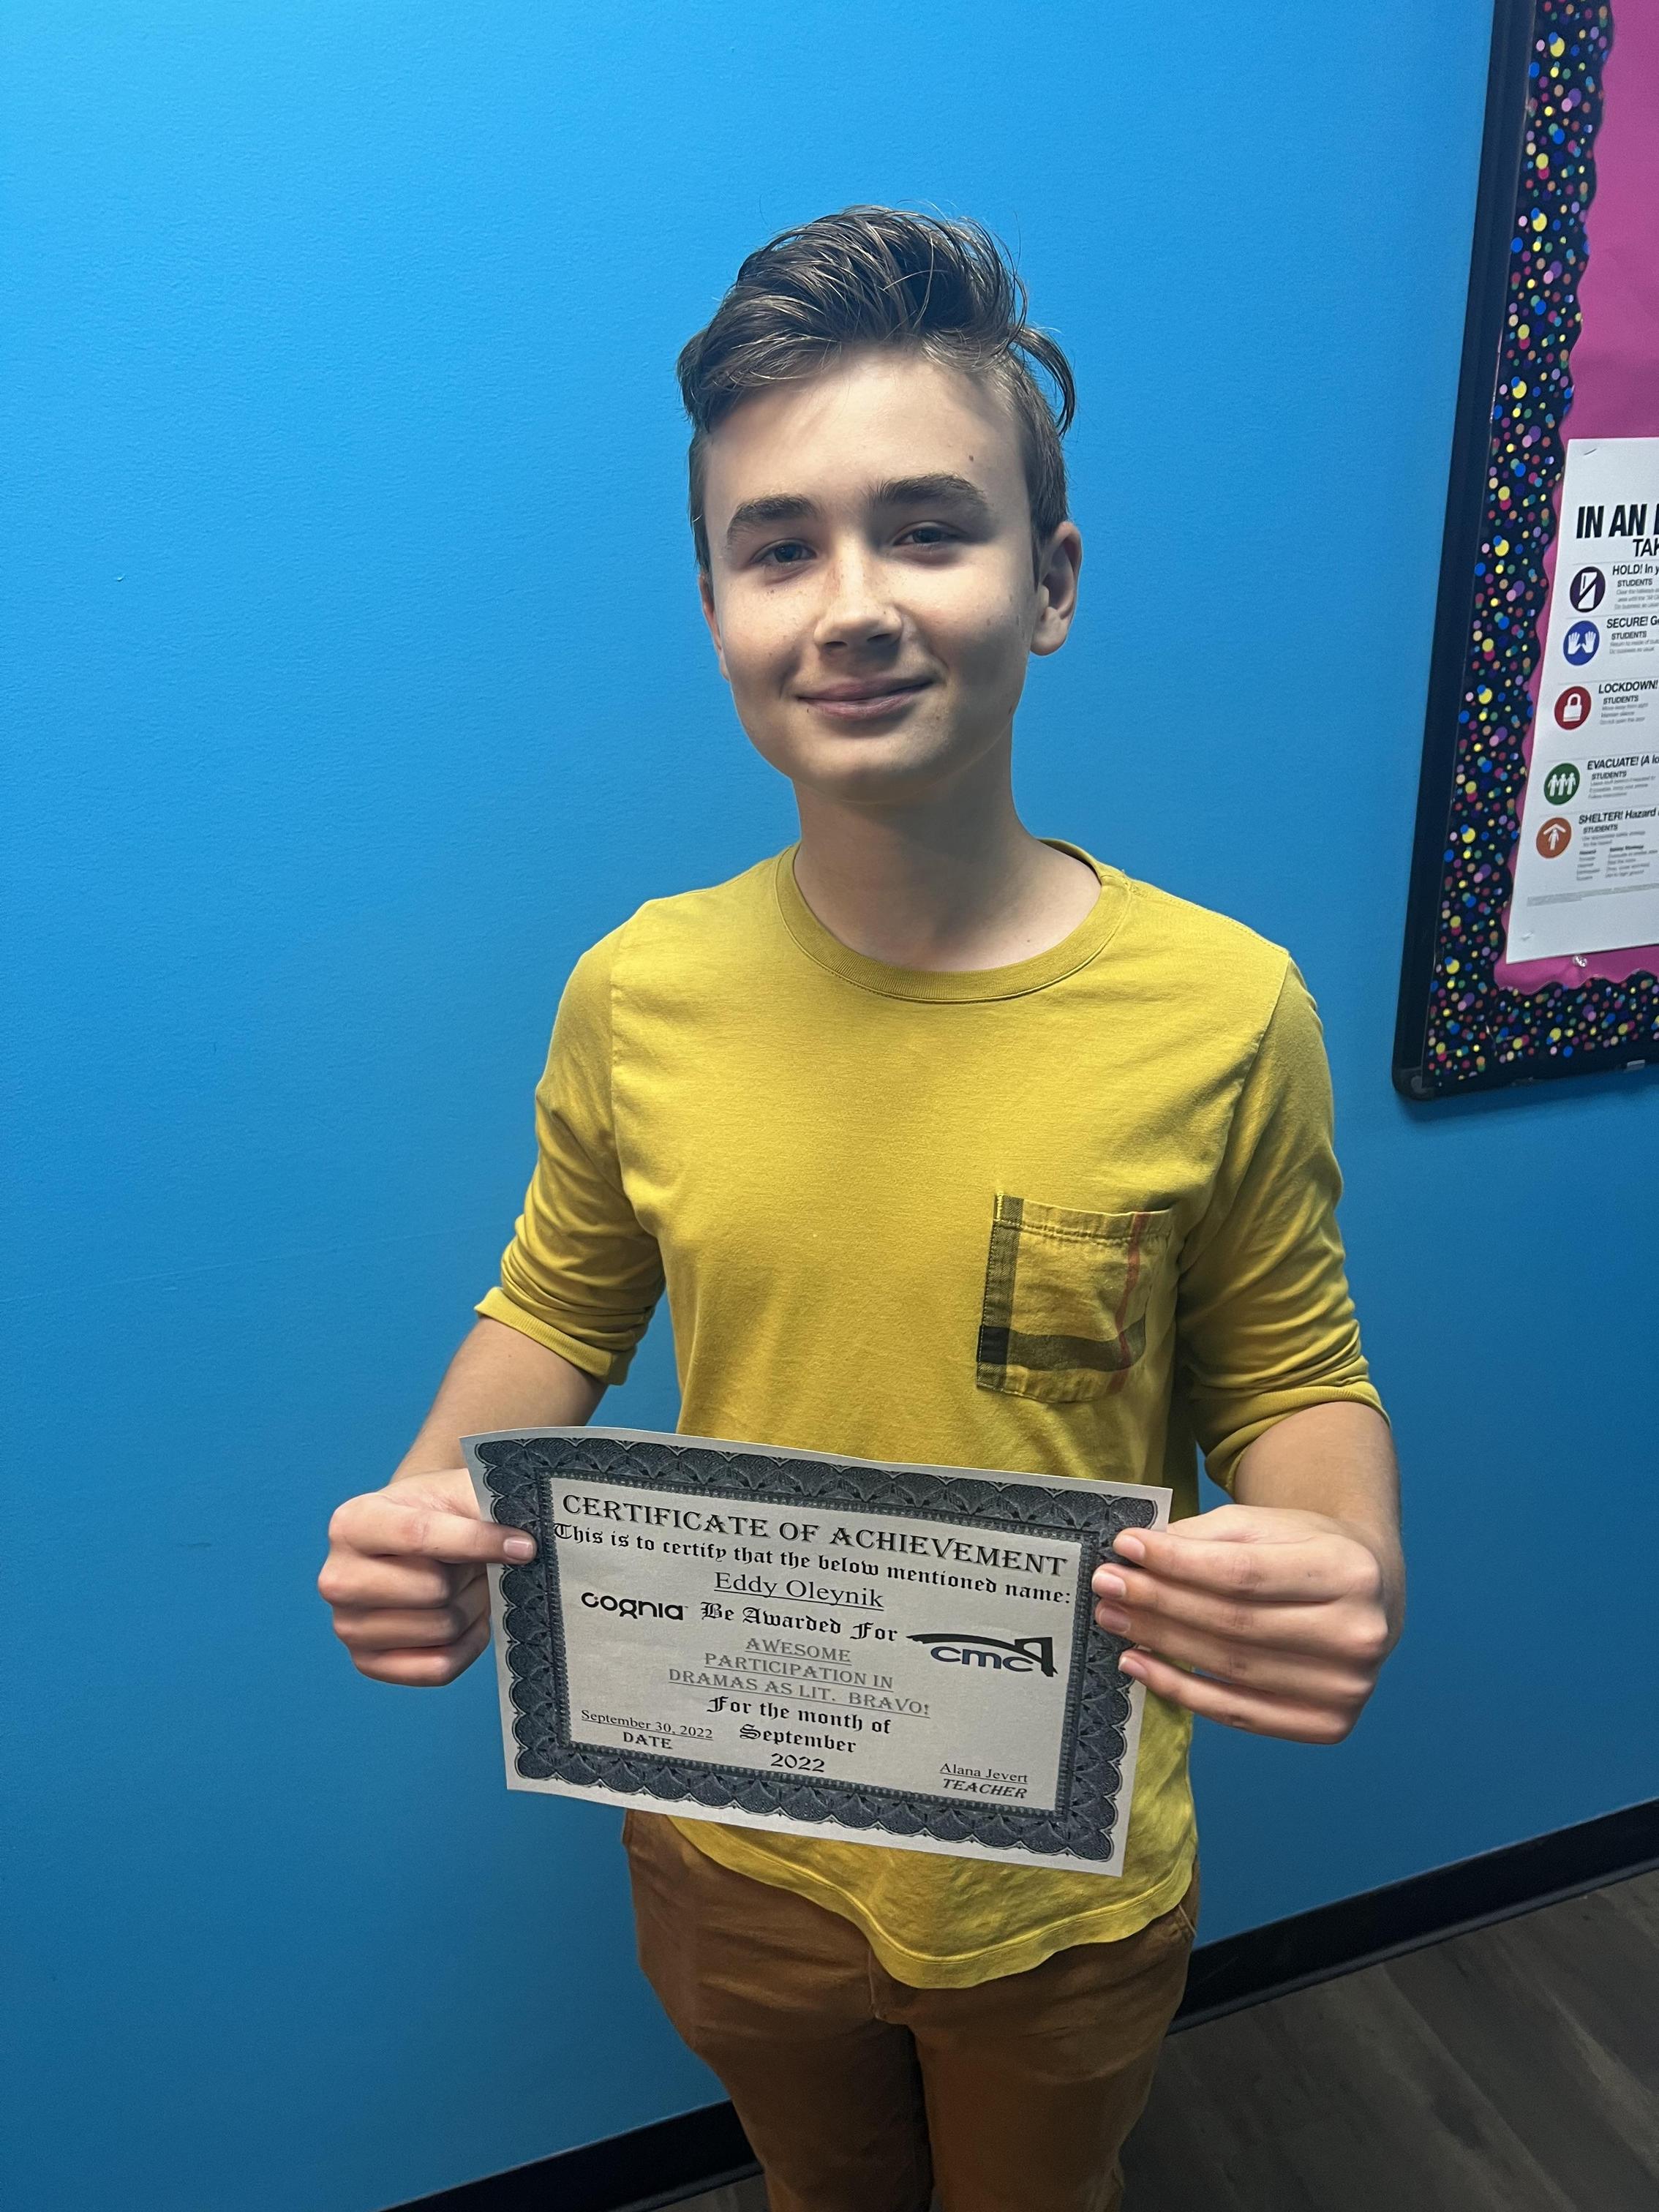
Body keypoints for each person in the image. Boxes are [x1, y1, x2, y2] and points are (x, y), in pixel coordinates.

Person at [318, 206, 1404, 2212]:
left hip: (1059, 1878)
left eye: (926, 529)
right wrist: (423, 1499)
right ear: (714, 607)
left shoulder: (1227, 1008)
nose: (852, 605)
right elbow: (556, 1303)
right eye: (779, 547)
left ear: (1047, 579)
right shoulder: (639, 991)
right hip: (726, 1833)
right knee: (818, 2186)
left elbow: (1287, 1369)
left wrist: (1345, 1552)